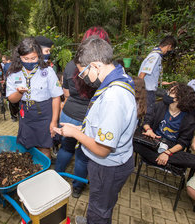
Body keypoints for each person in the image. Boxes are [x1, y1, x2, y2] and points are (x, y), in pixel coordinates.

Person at [54, 36, 137, 224]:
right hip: (112, 162)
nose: (84, 79)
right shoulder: (119, 76)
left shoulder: (113, 97)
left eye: (84, 73)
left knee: (99, 208)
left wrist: (76, 134)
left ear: (96, 66)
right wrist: (80, 128)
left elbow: (102, 148)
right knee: (101, 203)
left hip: (108, 165)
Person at [55, 26, 111, 198]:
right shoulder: (100, 69)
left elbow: (65, 93)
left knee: (66, 148)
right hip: (87, 118)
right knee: (82, 156)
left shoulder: (72, 64)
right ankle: (77, 187)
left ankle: (56, 177)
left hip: (69, 112)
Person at [6, 37, 63, 159]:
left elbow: (56, 97)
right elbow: (12, 99)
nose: (30, 61)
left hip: (45, 114)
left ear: (39, 56)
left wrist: (53, 121)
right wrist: (19, 93)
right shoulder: (14, 73)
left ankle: (44, 172)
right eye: (25, 59)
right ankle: (33, 173)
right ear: (19, 57)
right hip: (26, 114)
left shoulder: (47, 71)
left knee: (44, 147)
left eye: (33, 58)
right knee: (28, 146)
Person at [134, 83, 195, 169]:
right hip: (153, 142)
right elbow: (147, 121)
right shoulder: (159, 106)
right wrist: (149, 130)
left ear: (179, 99)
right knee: (133, 142)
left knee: (192, 160)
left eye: (170, 93)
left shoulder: (189, 118)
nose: (167, 94)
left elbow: (183, 143)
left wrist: (167, 153)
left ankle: (157, 158)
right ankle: (161, 159)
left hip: (172, 148)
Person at [138, 36, 177, 114]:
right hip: (147, 91)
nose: (169, 52)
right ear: (169, 46)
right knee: (148, 114)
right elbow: (142, 74)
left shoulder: (154, 54)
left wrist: (160, 82)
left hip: (148, 89)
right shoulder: (155, 56)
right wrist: (138, 91)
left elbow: (149, 75)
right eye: (170, 50)